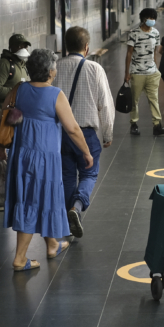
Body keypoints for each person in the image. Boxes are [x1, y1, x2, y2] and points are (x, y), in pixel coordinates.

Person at [0, 49, 93, 271]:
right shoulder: (55, 94)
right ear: (50, 71)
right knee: (32, 201)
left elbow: (5, 113)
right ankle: (20, 258)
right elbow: (73, 129)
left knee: (41, 197)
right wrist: (86, 152)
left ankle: (52, 244)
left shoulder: (18, 89)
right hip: (43, 158)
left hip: (21, 154)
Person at [53, 27, 114, 239]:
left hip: (60, 133)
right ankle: (76, 208)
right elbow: (105, 105)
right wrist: (107, 133)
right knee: (89, 172)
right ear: (86, 47)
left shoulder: (55, 68)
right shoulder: (94, 69)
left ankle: (67, 221)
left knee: (67, 175)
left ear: (66, 46)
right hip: (86, 133)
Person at [0, 33, 30, 211]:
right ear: (13, 47)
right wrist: (16, 91)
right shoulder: (4, 64)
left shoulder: (22, 66)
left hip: (8, 116)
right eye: (21, 46)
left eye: (26, 45)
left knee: (4, 155)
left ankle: (1, 194)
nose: (24, 49)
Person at [124, 8, 164, 136]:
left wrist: (156, 68)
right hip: (137, 72)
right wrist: (127, 73)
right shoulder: (134, 34)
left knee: (154, 99)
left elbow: (154, 52)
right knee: (134, 100)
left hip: (152, 72)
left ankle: (157, 125)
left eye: (153, 18)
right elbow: (129, 54)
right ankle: (134, 124)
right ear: (144, 19)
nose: (152, 20)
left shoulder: (155, 33)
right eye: (150, 18)